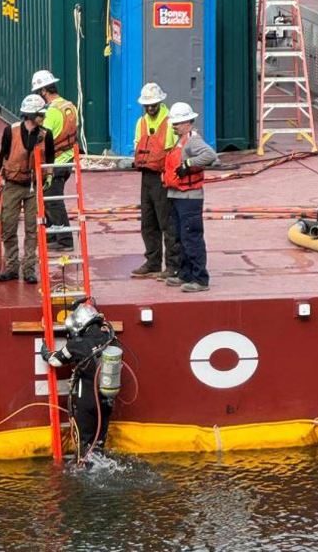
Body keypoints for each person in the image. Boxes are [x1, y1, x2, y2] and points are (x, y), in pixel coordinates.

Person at [40, 300, 121, 464]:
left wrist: (45, 352)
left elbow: (56, 361)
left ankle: (84, 471)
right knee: (98, 445)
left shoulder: (77, 344)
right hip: (107, 400)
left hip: (87, 401)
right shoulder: (110, 339)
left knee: (84, 445)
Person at [0, 94, 55, 284]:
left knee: (33, 229)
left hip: (33, 187)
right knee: (9, 227)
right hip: (12, 185)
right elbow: (2, 156)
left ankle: (29, 269)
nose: (43, 117)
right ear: (30, 115)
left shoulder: (46, 134)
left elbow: (50, 159)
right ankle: (11, 267)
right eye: (40, 114)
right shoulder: (10, 131)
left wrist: (49, 175)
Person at [162, 102, 218, 292]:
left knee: (191, 238)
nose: (174, 126)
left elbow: (210, 155)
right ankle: (185, 273)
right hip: (178, 196)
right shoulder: (181, 140)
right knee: (181, 237)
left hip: (189, 198)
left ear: (187, 122)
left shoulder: (192, 140)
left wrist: (188, 164)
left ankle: (200, 279)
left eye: (177, 123)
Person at [131, 83, 180, 280]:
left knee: (167, 223)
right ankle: (152, 262)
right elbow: (137, 145)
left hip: (163, 177)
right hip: (147, 176)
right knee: (148, 222)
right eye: (147, 105)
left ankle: (173, 265)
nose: (150, 108)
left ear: (160, 102)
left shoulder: (169, 123)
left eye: (154, 105)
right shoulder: (140, 122)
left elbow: (174, 150)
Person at [31, 70, 77, 252]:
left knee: (52, 200)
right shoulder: (69, 106)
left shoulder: (50, 113)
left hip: (54, 163)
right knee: (46, 197)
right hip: (67, 160)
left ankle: (65, 240)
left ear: (43, 91)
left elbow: (42, 138)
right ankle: (51, 235)